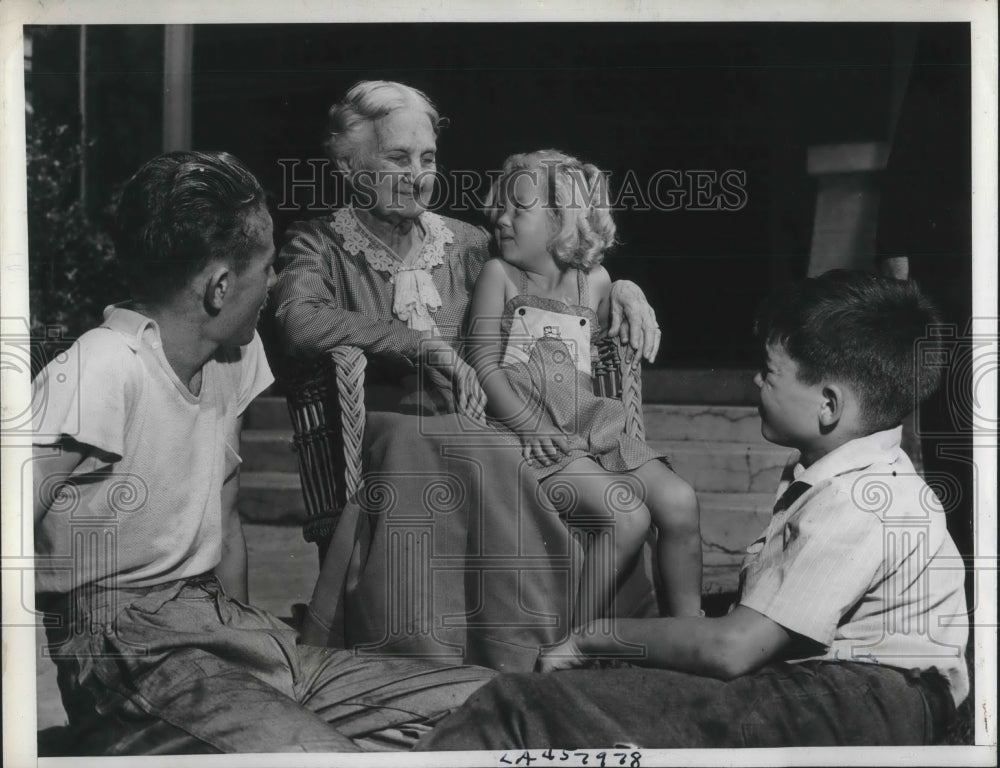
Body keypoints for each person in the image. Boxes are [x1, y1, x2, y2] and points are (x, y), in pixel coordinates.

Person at [31, 150, 494, 755]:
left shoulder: (233, 352)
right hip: (126, 643)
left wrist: (252, 669)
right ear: (220, 287)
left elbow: (225, 524)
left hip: (224, 625)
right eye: (268, 266)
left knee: (489, 701)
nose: (275, 283)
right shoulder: (102, 367)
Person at [418, 270, 969, 749]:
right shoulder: (846, 472)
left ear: (828, 405)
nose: (755, 379)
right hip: (850, 689)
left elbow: (733, 649)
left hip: (866, 699)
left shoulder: (859, 499)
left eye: (770, 372)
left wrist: (591, 635)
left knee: (521, 706)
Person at [271, 81, 664, 671]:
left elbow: (558, 276)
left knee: (529, 453)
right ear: (351, 166)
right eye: (398, 158)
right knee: (452, 445)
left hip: (492, 419)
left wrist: (623, 289)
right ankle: (493, 647)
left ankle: (561, 637)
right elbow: (298, 321)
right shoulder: (318, 242)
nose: (418, 176)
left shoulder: (470, 242)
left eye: (427, 159)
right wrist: (420, 345)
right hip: (388, 426)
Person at [467, 150, 701, 630]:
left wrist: (628, 290)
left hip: (591, 427)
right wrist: (529, 424)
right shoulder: (500, 276)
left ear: (562, 220)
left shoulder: (594, 282)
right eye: (499, 209)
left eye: (518, 209)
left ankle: (688, 630)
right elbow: (484, 364)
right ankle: (576, 640)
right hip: (532, 434)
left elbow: (616, 320)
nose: (501, 220)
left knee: (680, 501)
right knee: (627, 516)